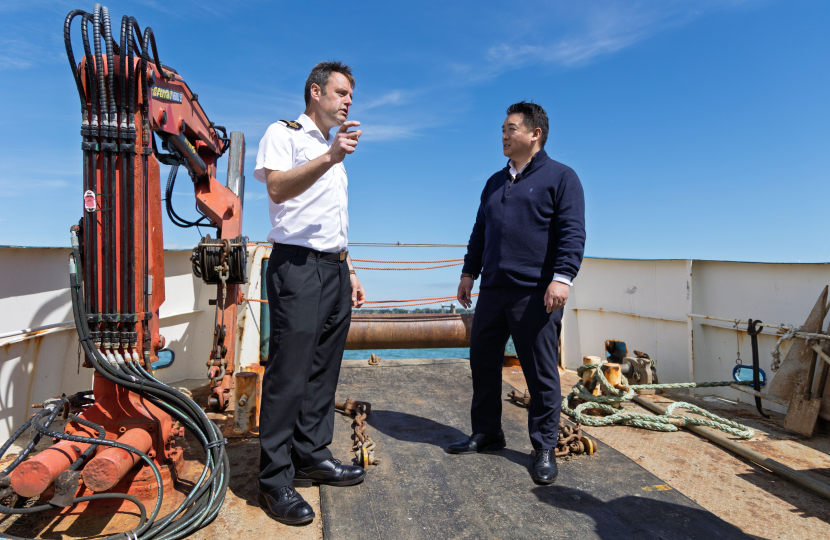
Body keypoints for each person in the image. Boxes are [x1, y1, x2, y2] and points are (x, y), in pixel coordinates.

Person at [253, 61, 367, 525]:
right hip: (296, 269)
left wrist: (351, 269)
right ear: (315, 92)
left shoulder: (328, 147)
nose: (347, 102)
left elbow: (328, 221)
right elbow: (277, 189)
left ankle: (311, 454)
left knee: (323, 371)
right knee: (289, 372)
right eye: (340, 93)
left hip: (333, 269)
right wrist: (329, 158)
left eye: (351, 97)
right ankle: (275, 479)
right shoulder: (285, 134)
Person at [450, 101, 586, 485]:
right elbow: (481, 231)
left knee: (541, 373)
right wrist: (468, 271)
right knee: (483, 362)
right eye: (503, 130)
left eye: (511, 129)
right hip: (492, 289)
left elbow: (572, 232)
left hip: (535, 293)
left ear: (534, 133)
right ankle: (488, 432)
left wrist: (563, 278)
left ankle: (543, 446)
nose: (504, 136)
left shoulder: (562, 177)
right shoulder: (494, 181)